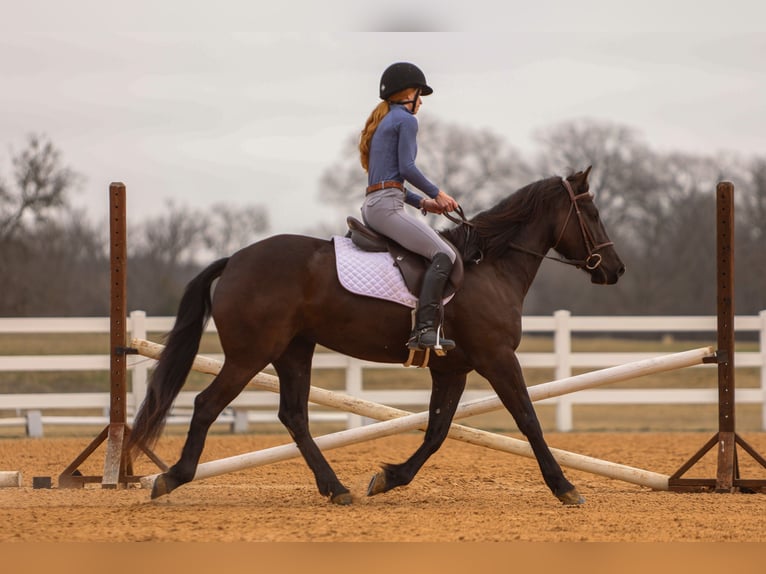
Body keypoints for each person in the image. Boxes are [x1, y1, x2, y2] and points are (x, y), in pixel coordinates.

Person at [359, 61, 459, 353]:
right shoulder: (406, 120)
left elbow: (391, 181)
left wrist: (423, 202)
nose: (421, 101)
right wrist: (438, 192)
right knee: (444, 253)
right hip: (386, 207)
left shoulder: (384, 121)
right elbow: (407, 167)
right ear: (408, 93)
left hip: (375, 203)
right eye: (419, 93)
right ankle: (425, 329)